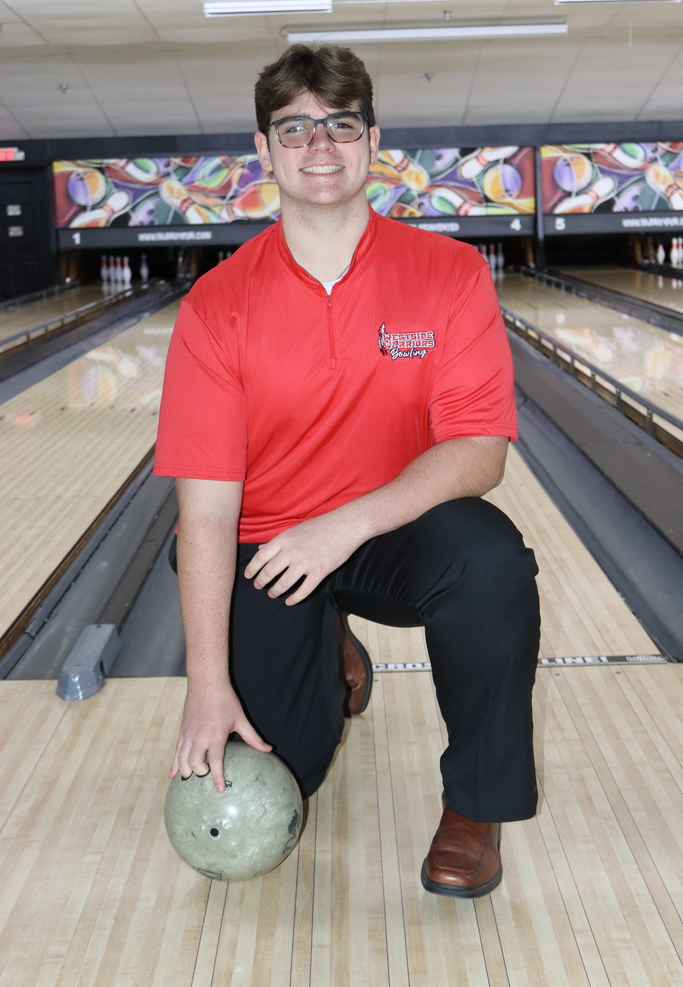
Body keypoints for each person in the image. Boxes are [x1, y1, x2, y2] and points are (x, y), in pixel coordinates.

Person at [154, 43, 540, 898]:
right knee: (288, 767)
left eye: (338, 124)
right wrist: (206, 689)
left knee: (491, 565)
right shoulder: (217, 306)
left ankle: (473, 808)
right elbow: (207, 513)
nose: (318, 147)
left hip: (392, 530)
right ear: (263, 150)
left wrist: (349, 523)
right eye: (294, 128)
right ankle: (326, 643)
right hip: (270, 546)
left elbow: (480, 452)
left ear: (371, 141)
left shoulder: (446, 274)